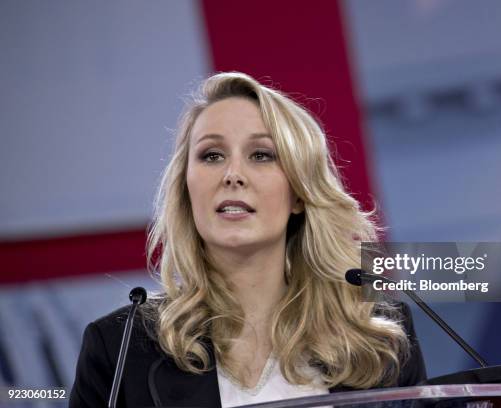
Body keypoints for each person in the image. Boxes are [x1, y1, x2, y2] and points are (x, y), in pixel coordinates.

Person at [69, 72, 426, 408]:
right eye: (212, 156)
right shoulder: (119, 349)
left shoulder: (378, 339)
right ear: (186, 190)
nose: (233, 174)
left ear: (300, 194)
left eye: (261, 155)